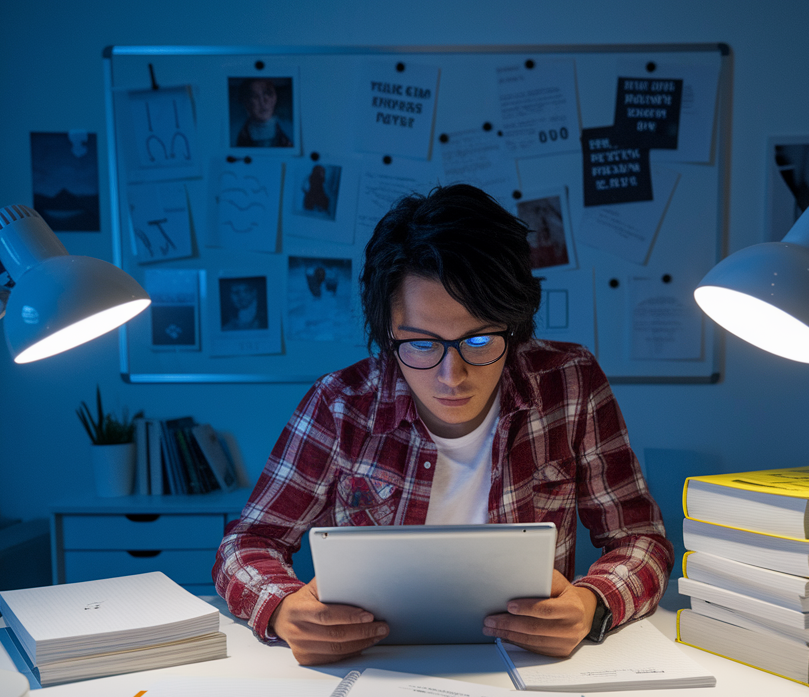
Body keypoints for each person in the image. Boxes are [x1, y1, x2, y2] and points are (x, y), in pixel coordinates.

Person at [213, 184, 670, 665]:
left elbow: (641, 539)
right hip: (375, 665)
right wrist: (284, 609)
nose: (452, 377)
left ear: (514, 325)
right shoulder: (341, 405)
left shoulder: (570, 383)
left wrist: (591, 604)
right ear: (387, 333)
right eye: (421, 344)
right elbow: (246, 544)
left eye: (478, 341)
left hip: (525, 665)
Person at [234, 78, 293, 148]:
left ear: (275, 98)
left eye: (268, 94)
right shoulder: (238, 134)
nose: (262, 102)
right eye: (255, 96)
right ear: (246, 103)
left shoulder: (289, 129)